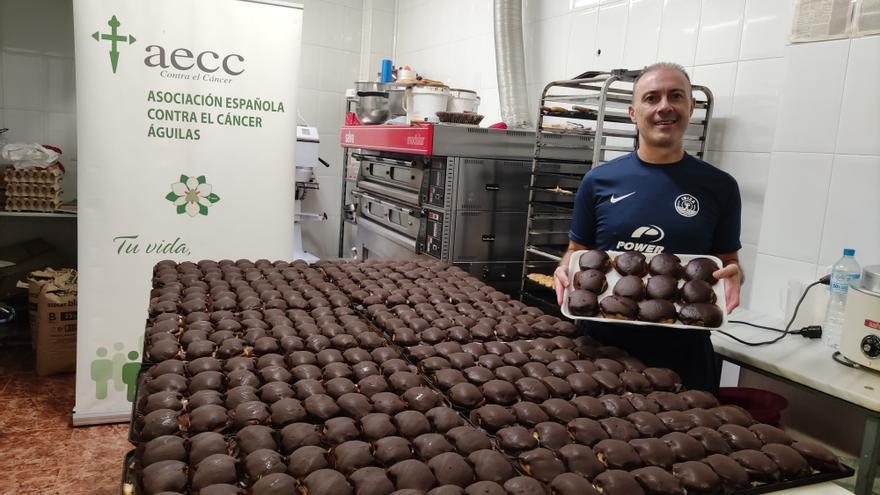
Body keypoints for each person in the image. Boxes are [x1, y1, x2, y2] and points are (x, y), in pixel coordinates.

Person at [553, 62, 743, 393]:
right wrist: (562, 271)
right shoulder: (599, 181)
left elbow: (728, 263)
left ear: (691, 107)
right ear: (633, 112)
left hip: (684, 351)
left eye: (676, 96)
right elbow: (576, 253)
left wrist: (735, 275)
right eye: (651, 98)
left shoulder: (720, 187)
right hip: (601, 346)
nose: (664, 107)